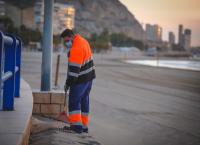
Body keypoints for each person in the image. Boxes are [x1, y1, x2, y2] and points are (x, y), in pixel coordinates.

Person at [60, 29, 96, 133]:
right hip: (89, 77)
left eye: (66, 40)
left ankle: (76, 126)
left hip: (81, 79)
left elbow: (73, 73)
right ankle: (84, 126)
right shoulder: (83, 41)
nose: (66, 43)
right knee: (84, 100)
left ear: (71, 37)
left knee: (73, 101)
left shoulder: (76, 48)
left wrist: (68, 84)